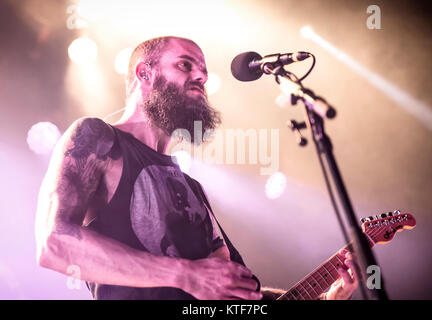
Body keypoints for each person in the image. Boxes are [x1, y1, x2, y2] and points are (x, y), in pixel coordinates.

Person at [35, 36, 358, 300]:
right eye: (185, 64)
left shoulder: (190, 186)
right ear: (144, 74)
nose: (202, 77)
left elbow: (235, 293)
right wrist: (184, 275)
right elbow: (55, 245)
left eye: (203, 71)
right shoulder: (96, 136)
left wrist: (325, 298)